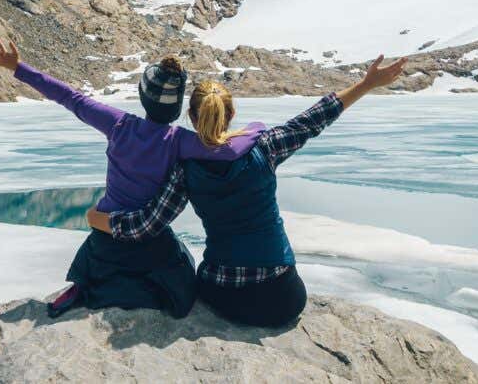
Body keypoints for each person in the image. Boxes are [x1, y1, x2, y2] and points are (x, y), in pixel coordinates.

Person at [86, 54, 408, 328]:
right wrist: (366, 85)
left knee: (180, 257)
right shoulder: (266, 147)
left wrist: (98, 218)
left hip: (225, 295)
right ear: (232, 115)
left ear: (192, 118)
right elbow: (316, 118)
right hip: (284, 297)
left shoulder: (185, 170)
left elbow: (148, 224)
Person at [0, 39, 266, 319]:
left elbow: (70, 97)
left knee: (99, 257)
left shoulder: (118, 124)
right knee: (181, 276)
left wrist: (18, 67)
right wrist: (257, 127)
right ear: (177, 107)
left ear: (144, 97)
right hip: (148, 243)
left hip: (106, 238)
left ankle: (87, 286)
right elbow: (230, 150)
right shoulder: (180, 142)